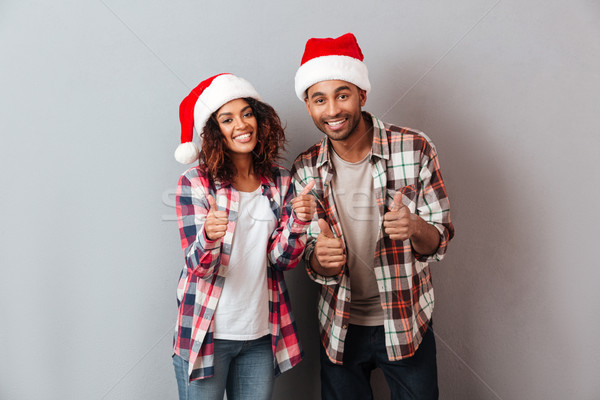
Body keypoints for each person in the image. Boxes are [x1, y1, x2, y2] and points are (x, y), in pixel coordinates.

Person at [290, 33, 455, 399]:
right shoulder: (305, 168)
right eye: (320, 99)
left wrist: (414, 227)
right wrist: (322, 259)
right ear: (308, 106)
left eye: (342, 95)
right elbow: (310, 257)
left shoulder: (415, 147)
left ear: (362, 95)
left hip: (407, 320)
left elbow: (440, 239)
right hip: (340, 326)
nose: (332, 110)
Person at [171, 73, 316, 400]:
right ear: (214, 131)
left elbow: (281, 260)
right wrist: (209, 235)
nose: (241, 124)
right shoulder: (194, 183)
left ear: (259, 119)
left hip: (261, 334)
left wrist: (298, 221)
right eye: (227, 118)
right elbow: (198, 266)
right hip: (207, 332)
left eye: (247, 113)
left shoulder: (279, 180)